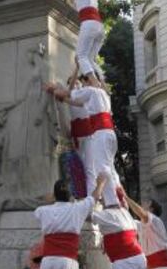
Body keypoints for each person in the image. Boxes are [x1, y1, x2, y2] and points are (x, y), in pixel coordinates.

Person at [52, 79, 123, 207]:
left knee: (93, 169)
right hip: (83, 135)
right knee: (92, 168)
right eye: (76, 83)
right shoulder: (85, 96)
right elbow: (68, 94)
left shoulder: (88, 97)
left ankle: (98, 199)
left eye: (81, 83)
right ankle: (97, 198)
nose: (79, 85)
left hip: (91, 135)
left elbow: (69, 96)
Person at [59, 0, 104, 87]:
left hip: (89, 23)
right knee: (90, 59)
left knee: (81, 56)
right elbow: (78, 4)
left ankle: (94, 82)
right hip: (99, 26)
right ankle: (103, 83)